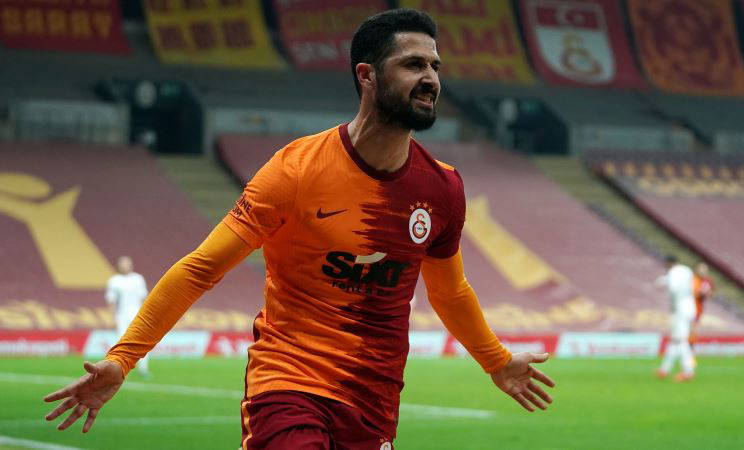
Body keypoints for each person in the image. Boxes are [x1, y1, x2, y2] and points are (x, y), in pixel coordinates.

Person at [43, 9, 555, 447]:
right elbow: (201, 269)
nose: (431, 78)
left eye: (435, 66)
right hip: (287, 385)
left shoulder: (442, 189)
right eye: (413, 64)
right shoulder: (295, 170)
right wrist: (123, 358)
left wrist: (495, 361)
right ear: (367, 75)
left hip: (373, 400)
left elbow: (450, 290)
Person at [105, 256, 150, 377]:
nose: (124, 266)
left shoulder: (138, 279)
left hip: (138, 313)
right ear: (118, 266)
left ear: (131, 265)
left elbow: (144, 298)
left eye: (126, 263)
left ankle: (143, 368)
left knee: (142, 340)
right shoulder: (114, 280)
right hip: (121, 315)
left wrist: (146, 315)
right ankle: (120, 368)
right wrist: (112, 318)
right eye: (122, 264)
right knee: (121, 342)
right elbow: (111, 301)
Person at [656, 255, 696, 382]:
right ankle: (664, 369)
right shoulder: (687, 270)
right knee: (675, 339)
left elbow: (674, 289)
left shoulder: (673, 272)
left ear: (669, 263)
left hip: (680, 309)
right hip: (690, 306)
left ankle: (688, 371)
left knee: (681, 340)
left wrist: (673, 307)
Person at [690, 261, 714, 346]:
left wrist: (707, 293)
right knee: (689, 327)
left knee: (694, 328)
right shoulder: (692, 279)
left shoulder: (707, 281)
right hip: (689, 307)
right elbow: (691, 293)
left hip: (698, 308)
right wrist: (700, 293)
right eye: (702, 269)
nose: (704, 271)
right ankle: (687, 346)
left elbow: (711, 294)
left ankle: (690, 346)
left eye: (705, 269)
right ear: (696, 269)